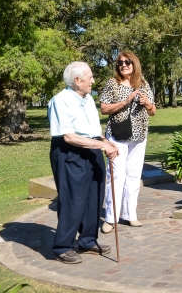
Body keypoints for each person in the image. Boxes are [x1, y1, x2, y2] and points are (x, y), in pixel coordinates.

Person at [48, 61, 119, 264]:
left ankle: (87, 241)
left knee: (94, 196)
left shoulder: (87, 99)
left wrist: (105, 142)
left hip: (92, 147)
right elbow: (69, 136)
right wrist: (101, 146)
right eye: (90, 77)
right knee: (73, 198)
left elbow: (93, 130)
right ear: (77, 80)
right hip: (70, 151)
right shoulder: (60, 101)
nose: (93, 81)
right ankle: (62, 246)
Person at [99, 50, 156, 233]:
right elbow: (104, 109)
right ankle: (110, 218)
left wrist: (147, 102)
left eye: (127, 62)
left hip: (139, 137)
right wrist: (126, 101)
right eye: (120, 62)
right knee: (115, 176)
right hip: (117, 136)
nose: (123, 65)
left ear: (134, 64)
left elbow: (153, 111)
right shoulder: (112, 84)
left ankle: (130, 214)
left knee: (133, 175)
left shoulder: (144, 84)